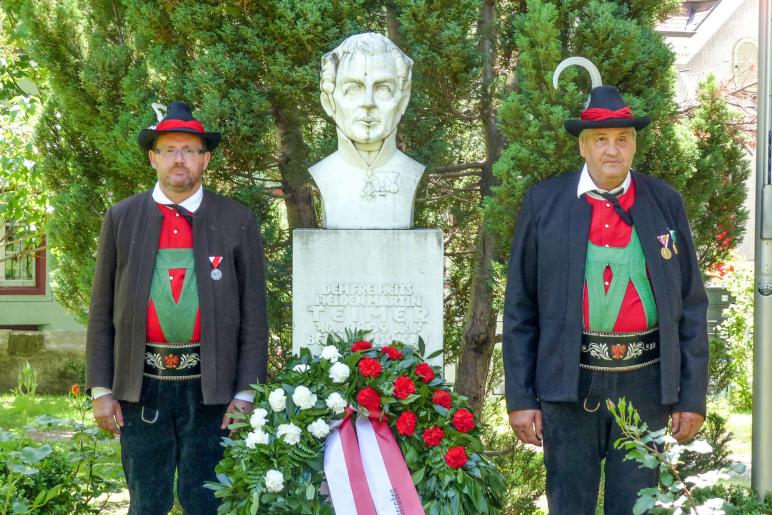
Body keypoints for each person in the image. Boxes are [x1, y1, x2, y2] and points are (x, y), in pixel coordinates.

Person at [503, 85, 709, 514]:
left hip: (645, 384)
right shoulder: (544, 204)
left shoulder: (665, 203)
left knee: (636, 505)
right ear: (583, 146)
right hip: (567, 383)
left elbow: (691, 303)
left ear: (634, 144)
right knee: (569, 503)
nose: (612, 150)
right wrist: (521, 398)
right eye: (601, 139)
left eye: (622, 138)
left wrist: (690, 395)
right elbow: (520, 307)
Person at [86, 101, 269, 514]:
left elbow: (255, 319)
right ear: (153, 158)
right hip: (140, 386)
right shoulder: (122, 218)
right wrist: (101, 388)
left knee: (205, 500)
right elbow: (101, 314)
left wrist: (245, 393)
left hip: (213, 390)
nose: (179, 159)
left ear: (205, 158)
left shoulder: (237, 220)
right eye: (169, 150)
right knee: (146, 500)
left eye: (189, 149)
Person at [310, 32, 424, 229]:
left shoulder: (411, 173)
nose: (368, 103)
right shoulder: (323, 174)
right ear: (328, 101)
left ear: (403, 100)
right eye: (353, 89)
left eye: (383, 88)